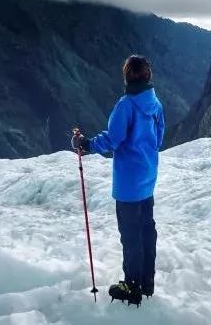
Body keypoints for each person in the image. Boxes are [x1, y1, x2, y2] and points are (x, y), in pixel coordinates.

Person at [72, 55, 165, 306]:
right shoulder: (155, 104)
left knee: (131, 235)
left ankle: (131, 284)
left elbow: (113, 139)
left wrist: (86, 144)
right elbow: (159, 139)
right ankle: (146, 283)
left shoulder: (126, 105)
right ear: (148, 76)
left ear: (127, 77)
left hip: (128, 184)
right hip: (147, 178)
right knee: (147, 230)